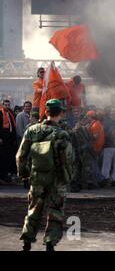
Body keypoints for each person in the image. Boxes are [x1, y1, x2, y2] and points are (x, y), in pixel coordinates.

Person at [16, 99, 74, 251]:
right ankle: (50, 242)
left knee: (34, 209)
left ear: (46, 112)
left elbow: (21, 155)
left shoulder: (31, 130)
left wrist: (23, 174)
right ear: (60, 113)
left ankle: (27, 240)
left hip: (37, 177)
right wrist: (68, 177)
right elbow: (68, 159)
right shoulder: (62, 134)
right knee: (55, 211)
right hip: (57, 179)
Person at [100, 108, 115, 187]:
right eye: (113, 112)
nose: (114, 113)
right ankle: (104, 179)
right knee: (107, 163)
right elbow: (106, 132)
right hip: (109, 145)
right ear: (110, 113)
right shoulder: (107, 122)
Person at [0, 99, 18, 182]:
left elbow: (13, 126)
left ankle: (6, 174)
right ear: (3, 105)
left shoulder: (11, 113)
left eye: (8, 105)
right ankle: (2, 175)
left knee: (9, 157)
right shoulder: (0, 113)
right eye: (5, 105)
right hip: (3, 138)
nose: (7, 106)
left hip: (10, 138)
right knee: (3, 157)